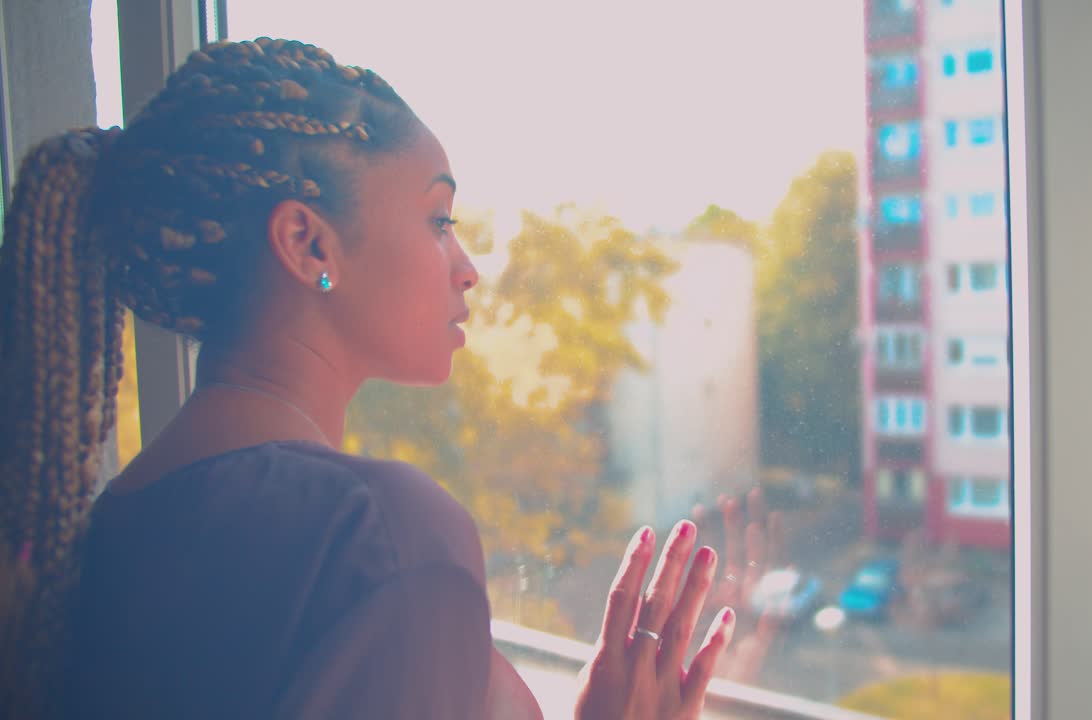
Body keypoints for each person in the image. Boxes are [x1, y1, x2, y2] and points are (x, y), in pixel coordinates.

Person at [0, 38, 736, 719]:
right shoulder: (375, 536)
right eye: (438, 218)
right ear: (307, 243)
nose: (466, 266)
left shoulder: (113, 521)